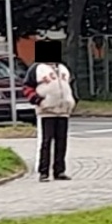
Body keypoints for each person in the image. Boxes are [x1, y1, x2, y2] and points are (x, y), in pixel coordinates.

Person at [25, 39, 76, 181]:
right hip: (46, 110)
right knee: (46, 142)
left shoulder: (63, 69)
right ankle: (43, 172)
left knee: (62, 141)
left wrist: (72, 100)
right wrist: (37, 100)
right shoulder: (36, 68)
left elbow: (69, 85)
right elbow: (27, 87)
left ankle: (59, 171)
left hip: (64, 111)